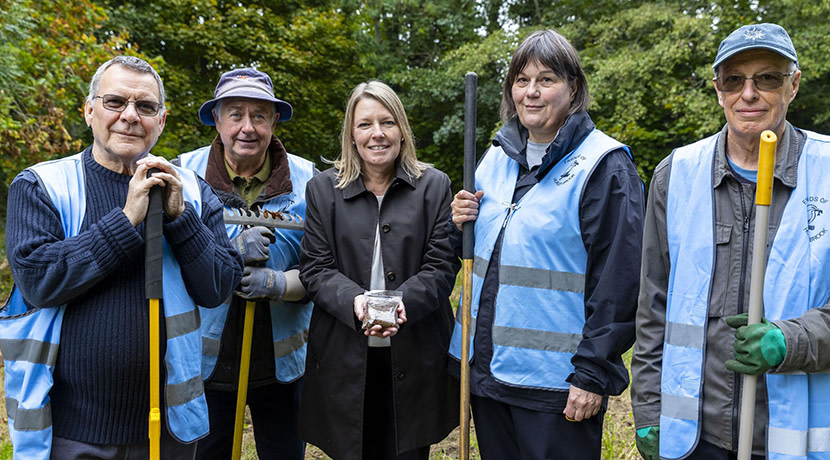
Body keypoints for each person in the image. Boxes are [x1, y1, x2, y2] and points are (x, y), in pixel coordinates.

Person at [0, 56, 243, 459]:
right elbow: (40, 281)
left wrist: (180, 220)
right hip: (71, 432)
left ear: (161, 121)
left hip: (169, 429)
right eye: (115, 102)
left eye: (145, 107)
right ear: (89, 110)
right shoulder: (41, 185)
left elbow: (219, 287)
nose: (130, 116)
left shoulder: (193, 192)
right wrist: (127, 218)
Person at [631, 23, 830, 460]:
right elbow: (654, 307)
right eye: (734, 79)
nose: (749, 93)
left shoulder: (828, 171)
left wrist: (790, 340)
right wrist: (648, 408)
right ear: (718, 88)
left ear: (793, 85)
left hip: (797, 440)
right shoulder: (676, 174)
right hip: (694, 435)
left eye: (768, 78)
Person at [447, 29, 644, 460]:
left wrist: (593, 373)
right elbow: (477, 252)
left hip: (557, 387)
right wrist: (457, 220)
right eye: (521, 80)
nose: (531, 92)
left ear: (573, 89)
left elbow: (621, 283)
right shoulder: (495, 158)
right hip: (487, 375)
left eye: (546, 79)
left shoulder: (605, 167)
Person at [298, 80, 460, 460]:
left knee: (408, 452)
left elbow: (440, 268)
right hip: (344, 353)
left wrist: (397, 305)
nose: (377, 134)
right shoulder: (323, 190)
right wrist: (358, 303)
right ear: (351, 135)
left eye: (387, 122)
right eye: (365, 124)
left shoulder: (433, 186)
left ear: (401, 131)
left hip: (416, 352)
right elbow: (316, 269)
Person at [177, 67, 315, 460]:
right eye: (235, 114)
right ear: (216, 120)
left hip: (283, 364)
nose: (247, 127)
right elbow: (168, 262)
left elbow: (326, 266)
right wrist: (230, 251)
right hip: (205, 361)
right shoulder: (181, 174)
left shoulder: (310, 181)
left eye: (259, 115)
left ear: (274, 121)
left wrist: (279, 283)